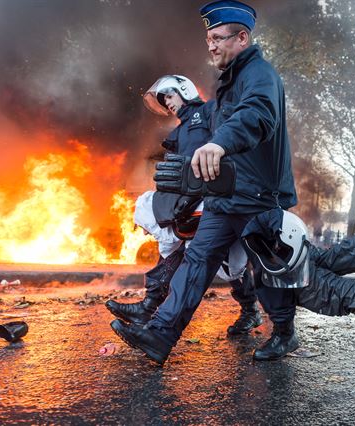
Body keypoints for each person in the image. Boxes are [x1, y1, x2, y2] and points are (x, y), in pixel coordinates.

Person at [110, 0, 299, 365]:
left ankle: (284, 333)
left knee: (264, 267)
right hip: (226, 195)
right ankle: (159, 335)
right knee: (195, 261)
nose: (210, 45)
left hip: (259, 196)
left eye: (218, 38)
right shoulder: (228, 83)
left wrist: (218, 142)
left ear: (242, 37)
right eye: (207, 39)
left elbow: (256, 115)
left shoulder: (260, 75)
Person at [105, 75, 262, 334]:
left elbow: (235, 139)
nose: (167, 103)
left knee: (227, 254)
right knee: (186, 243)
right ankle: (150, 305)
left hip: (218, 197)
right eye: (163, 100)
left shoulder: (211, 110)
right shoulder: (179, 131)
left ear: (184, 89)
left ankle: (261, 314)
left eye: (169, 95)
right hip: (191, 198)